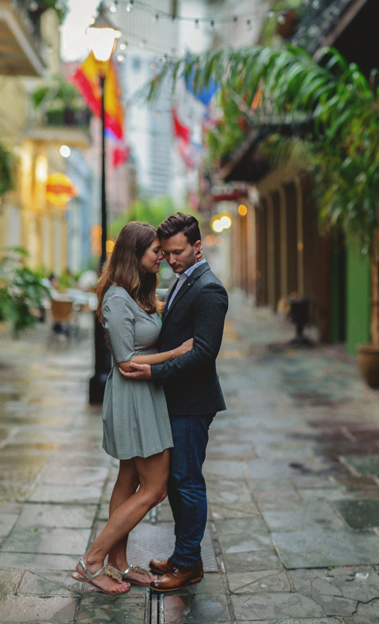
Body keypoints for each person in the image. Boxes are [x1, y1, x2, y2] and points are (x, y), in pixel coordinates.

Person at [72, 221, 195, 594]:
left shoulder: (136, 293)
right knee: (155, 488)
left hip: (147, 394)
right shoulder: (115, 298)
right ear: (134, 253)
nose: (161, 256)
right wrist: (178, 351)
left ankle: (119, 563)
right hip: (132, 395)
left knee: (129, 478)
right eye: (156, 251)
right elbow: (127, 361)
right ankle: (92, 561)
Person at [121, 212, 228, 593]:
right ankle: (187, 556)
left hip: (192, 402)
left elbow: (203, 353)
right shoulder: (183, 281)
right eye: (165, 253)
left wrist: (154, 373)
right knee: (177, 480)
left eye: (178, 251)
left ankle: (186, 564)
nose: (170, 259)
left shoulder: (210, 289)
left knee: (187, 481)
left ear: (198, 247)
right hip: (175, 400)